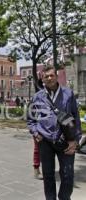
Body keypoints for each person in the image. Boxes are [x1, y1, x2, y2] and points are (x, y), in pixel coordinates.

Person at [27, 65, 82, 200]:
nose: (49, 78)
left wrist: (75, 140)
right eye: (46, 76)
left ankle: (64, 197)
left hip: (65, 141)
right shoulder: (37, 97)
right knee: (48, 175)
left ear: (56, 76)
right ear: (42, 79)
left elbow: (76, 117)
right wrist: (35, 132)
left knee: (68, 174)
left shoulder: (68, 94)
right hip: (45, 141)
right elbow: (30, 119)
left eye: (52, 75)